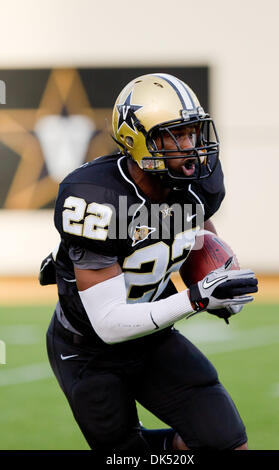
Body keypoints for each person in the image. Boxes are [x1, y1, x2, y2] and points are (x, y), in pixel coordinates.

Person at [41, 73, 258, 452]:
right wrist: (197, 297)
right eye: (175, 136)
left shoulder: (197, 181)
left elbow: (198, 221)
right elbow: (108, 323)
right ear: (138, 140)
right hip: (89, 349)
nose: (190, 147)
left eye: (192, 133)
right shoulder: (97, 196)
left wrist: (220, 270)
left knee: (223, 441)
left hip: (152, 338)